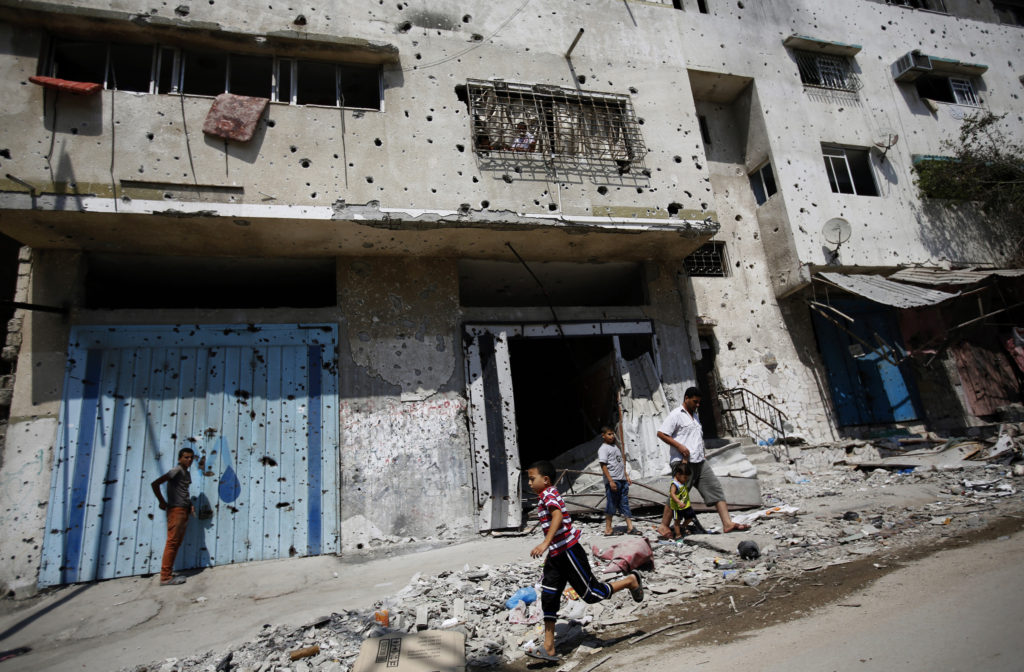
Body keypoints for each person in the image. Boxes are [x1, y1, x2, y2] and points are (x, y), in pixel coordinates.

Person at [526, 460, 643, 662]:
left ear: (545, 480)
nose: (529, 483)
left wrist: (545, 543)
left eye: (531, 479)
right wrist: (550, 549)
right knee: (549, 596)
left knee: (590, 593)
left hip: (570, 552)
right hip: (556, 555)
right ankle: (549, 647)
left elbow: (558, 517)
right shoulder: (543, 496)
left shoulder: (550, 494)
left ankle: (630, 581)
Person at [655, 387, 750, 537]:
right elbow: (661, 433)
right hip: (683, 463)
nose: (697, 405)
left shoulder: (695, 416)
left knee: (715, 488)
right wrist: (679, 446)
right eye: (695, 402)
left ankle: (727, 523)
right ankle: (663, 526)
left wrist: (702, 453)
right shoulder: (676, 415)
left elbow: (695, 437)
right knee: (679, 494)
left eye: (699, 402)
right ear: (686, 398)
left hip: (699, 461)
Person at [151, 447, 196, 586]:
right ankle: (165, 577)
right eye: (186, 457)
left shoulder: (186, 473)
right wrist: (162, 502)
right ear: (179, 458)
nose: (189, 460)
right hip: (176, 510)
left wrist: (190, 505)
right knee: (172, 542)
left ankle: (168, 573)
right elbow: (156, 483)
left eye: (191, 458)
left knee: (175, 542)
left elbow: (183, 492)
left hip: (183, 510)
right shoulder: (176, 470)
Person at [598, 426, 635, 536]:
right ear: (603, 436)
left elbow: (620, 463)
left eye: (613, 434)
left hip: (622, 479)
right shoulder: (603, 449)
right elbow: (603, 465)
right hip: (613, 479)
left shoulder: (615, 447)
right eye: (609, 434)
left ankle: (630, 527)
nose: (612, 436)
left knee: (625, 503)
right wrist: (610, 481)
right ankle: (608, 528)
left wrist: (626, 475)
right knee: (612, 504)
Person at [669, 462, 707, 538]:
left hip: (686, 505)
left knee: (690, 518)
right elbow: (672, 494)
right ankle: (678, 535)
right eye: (685, 478)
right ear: (678, 475)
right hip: (678, 507)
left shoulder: (682, 481)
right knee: (677, 521)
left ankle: (682, 527)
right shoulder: (674, 484)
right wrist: (679, 502)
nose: (686, 480)